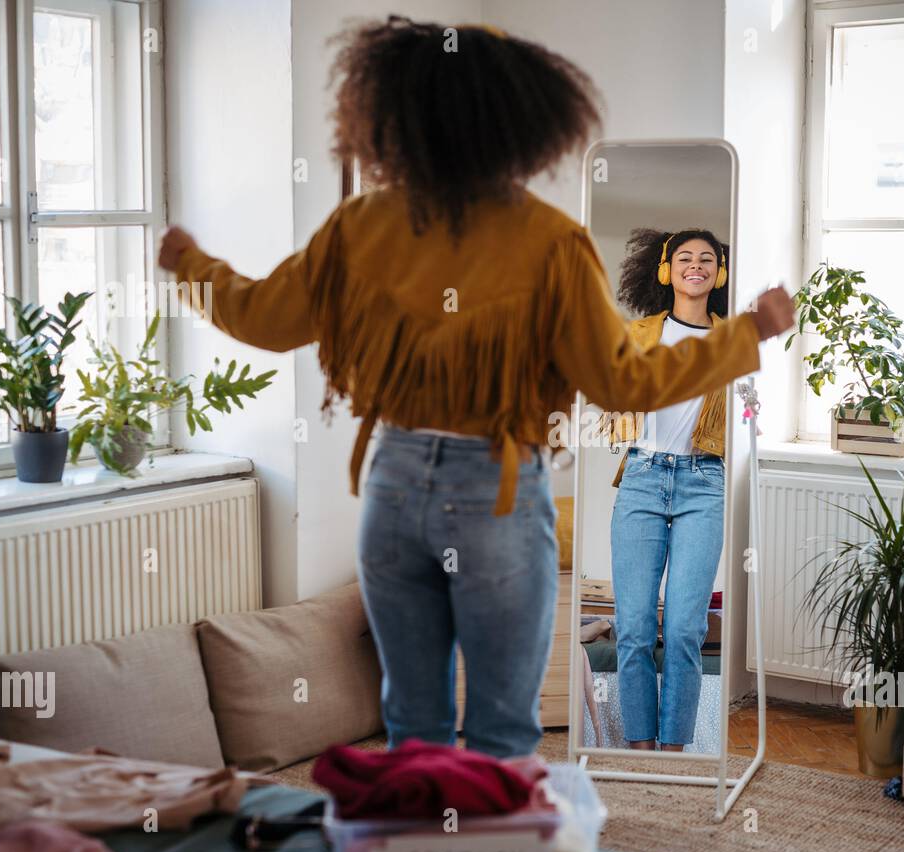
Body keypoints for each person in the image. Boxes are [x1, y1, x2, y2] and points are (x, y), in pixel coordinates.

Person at [156, 17, 795, 759]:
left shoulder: (362, 224)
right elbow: (626, 383)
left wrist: (192, 263)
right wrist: (745, 333)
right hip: (495, 488)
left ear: (397, 115)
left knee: (415, 726)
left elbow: (262, 317)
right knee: (500, 729)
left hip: (393, 486)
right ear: (520, 121)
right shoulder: (548, 240)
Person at [607, 228, 733, 751]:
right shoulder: (636, 335)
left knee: (684, 628)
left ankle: (674, 751)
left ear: (719, 273)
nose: (696, 266)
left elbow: (746, 416)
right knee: (634, 626)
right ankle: (641, 749)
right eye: (685, 258)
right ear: (666, 269)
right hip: (641, 478)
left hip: (703, 483)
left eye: (707, 259)